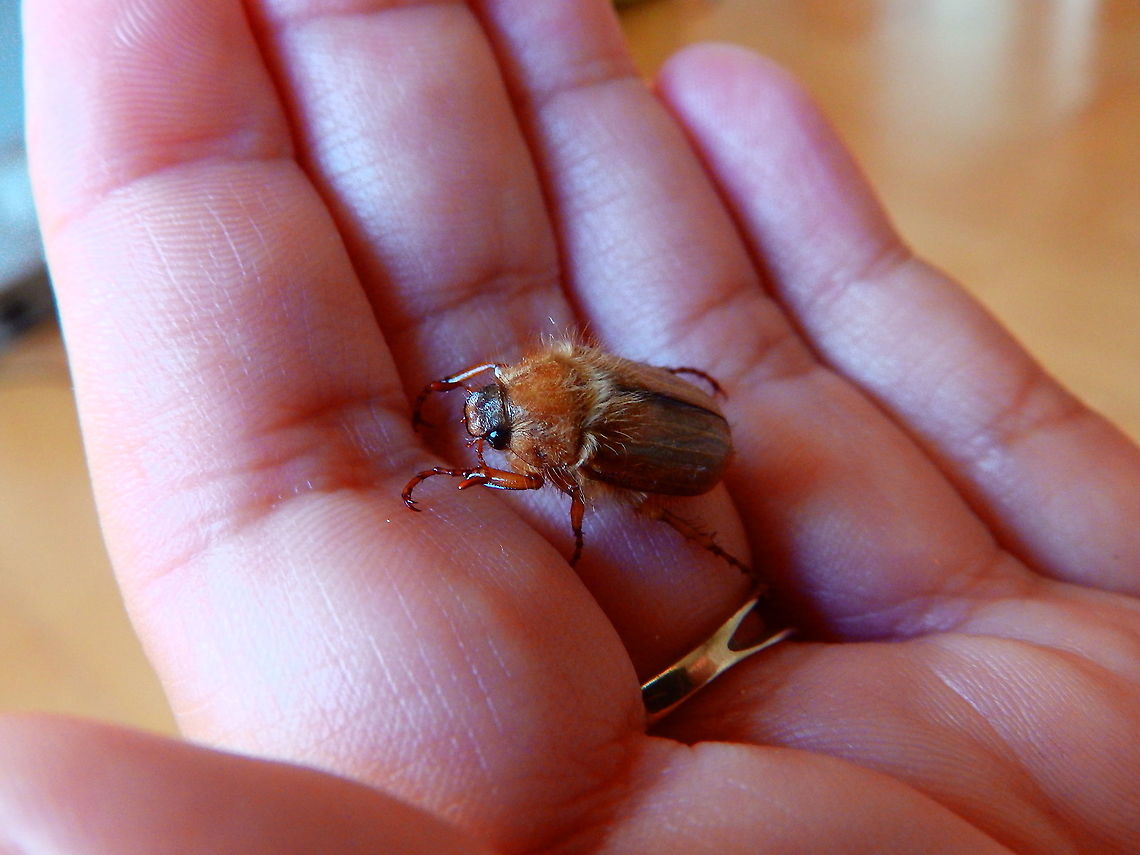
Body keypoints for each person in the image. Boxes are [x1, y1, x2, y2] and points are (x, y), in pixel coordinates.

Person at [6, 0, 1138, 851]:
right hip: (674, 411)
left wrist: (472, 470)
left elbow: (574, 488)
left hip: (680, 443)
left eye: (494, 419)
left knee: (634, 510)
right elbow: (522, 393)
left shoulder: (573, 445)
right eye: (487, 406)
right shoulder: (550, 377)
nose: (486, 415)